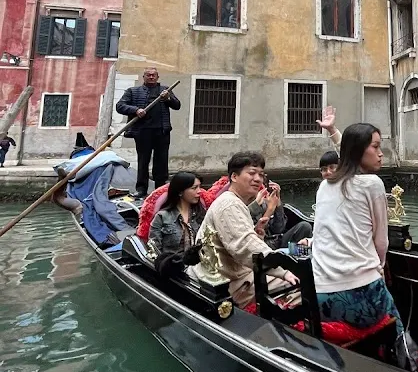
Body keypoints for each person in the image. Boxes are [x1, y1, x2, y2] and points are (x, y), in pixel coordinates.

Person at [309, 123, 402, 331]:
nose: (381, 154)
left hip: (318, 295)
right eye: (375, 147)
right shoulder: (373, 184)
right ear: (359, 151)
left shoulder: (324, 186)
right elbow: (381, 242)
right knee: (396, 326)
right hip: (359, 293)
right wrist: (379, 268)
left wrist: (333, 130)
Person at [193, 151, 299, 308]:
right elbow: (245, 246)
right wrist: (283, 271)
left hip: (231, 274)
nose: (258, 179)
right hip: (228, 283)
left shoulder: (234, 202)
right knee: (302, 281)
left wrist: (257, 234)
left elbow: (239, 243)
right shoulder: (229, 205)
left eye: (261, 174)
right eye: (252, 173)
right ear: (234, 177)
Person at [116, 68, 181, 199]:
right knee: (143, 161)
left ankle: (160, 189)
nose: (151, 77)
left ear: (157, 77)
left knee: (161, 162)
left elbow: (177, 105)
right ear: (144, 77)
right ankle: (141, 189)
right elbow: (120, 106)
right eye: (148, 75)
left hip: (162, 131)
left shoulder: (165, 90)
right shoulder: (132, 91)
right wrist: (135, 110)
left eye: (153, 75)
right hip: (142, 132)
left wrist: (168, 98)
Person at [148, 171, 206, 257]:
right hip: (171, 263)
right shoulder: (162, 217)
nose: (199, 191)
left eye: (199, 187)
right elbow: (155, 249)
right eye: (194, 188)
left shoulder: (202, 214)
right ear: (180, 192)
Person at [249, 179, 313, 249]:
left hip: (277, 240)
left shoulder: (266, 201)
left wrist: (278, 203)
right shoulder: (246, 206)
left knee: (305, 227)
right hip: (262, 244)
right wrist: (269, 211)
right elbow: (256, 233)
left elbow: (278, 229)